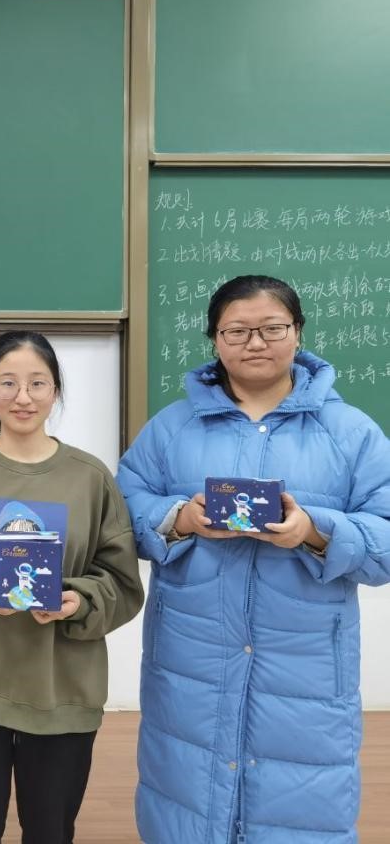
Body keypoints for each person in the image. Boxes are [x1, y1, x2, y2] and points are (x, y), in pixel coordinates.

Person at [117, 274, 390, 844]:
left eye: (272, 328)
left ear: (299, 333)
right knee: (185, 799)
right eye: (237, 331)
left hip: (306, 663)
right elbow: (121, 513)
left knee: (301, 807)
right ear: (215, 340)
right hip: (191, 656)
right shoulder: (171, 428)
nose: (256, 343)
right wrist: (180, 519)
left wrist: (314, 531)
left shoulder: (351, 433)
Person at [0, 330, 143, 844]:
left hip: (62, 690)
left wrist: (79, 601)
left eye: (38, 383)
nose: (23, 397)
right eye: (7, 382)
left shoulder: (90, 478)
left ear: (55, 391)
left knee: (51, 831)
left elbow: (122, 581)